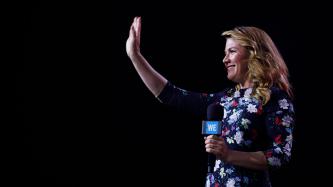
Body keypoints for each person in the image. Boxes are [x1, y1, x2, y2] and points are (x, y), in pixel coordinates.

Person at [126, 16, 295, 187]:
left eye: (232, 51)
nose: (225, 59)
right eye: (225, 53)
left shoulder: (274, 97)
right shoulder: (224, 99)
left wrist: (229, 155)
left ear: (254, 54)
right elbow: (171, 95)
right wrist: (135, 56)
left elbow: (280, 155)